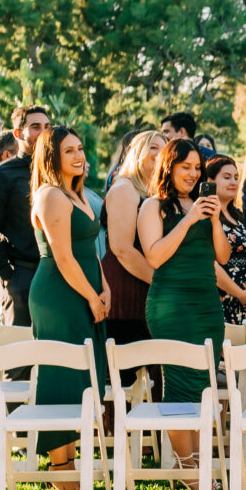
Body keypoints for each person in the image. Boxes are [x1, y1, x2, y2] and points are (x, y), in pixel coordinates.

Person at [138, 138, 228, 469]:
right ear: (169, 167)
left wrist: (215, 219)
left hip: (207, 305)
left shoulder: (205, 204)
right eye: (184, 167)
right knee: (179, 381)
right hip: (171, 304)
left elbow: (223, 256)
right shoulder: (153, 206)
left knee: (204, 380)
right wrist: (189, 220)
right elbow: (155, 256)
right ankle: (187, 465)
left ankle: (198, 463)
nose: (192, 174)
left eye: (196, 168)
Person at [27, 126, 108, 490]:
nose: (79, 156)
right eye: (69, 151)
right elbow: (62, 256)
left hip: (86, 285)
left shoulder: (78, 195)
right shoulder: (50, 196)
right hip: (59, 294)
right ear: (52, 157)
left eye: (80, 149)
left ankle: (70, 462)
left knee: (81, 374)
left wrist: (104, 286)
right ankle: (61, 470)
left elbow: (89, 250)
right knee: (61, 374)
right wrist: (91, 296)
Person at [0, 106, 49, 327]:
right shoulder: (0, 176)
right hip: (22, 274)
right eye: (35, 127)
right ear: (18, 133)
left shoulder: (57, 172)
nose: (43, 132)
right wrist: (8, 275)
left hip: (58, 273)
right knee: (20, 355)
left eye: (47, 127)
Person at [101, 130, 163, 352]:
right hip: (124, 286)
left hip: (147, 285)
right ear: (136, 152)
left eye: (164, 148)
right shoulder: (124, 188)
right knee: (124, 373)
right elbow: (123, 249)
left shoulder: (154, 192)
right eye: (153, 147)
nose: (159, 153)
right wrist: (162, 283)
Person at [204, 154, 246, 328]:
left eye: (236, 177)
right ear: (209, 181)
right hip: (221, 296)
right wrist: (239, 293)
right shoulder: (204, 216)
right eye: (226, 177)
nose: (233, 182)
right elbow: (209, 263)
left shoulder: (240, 216)